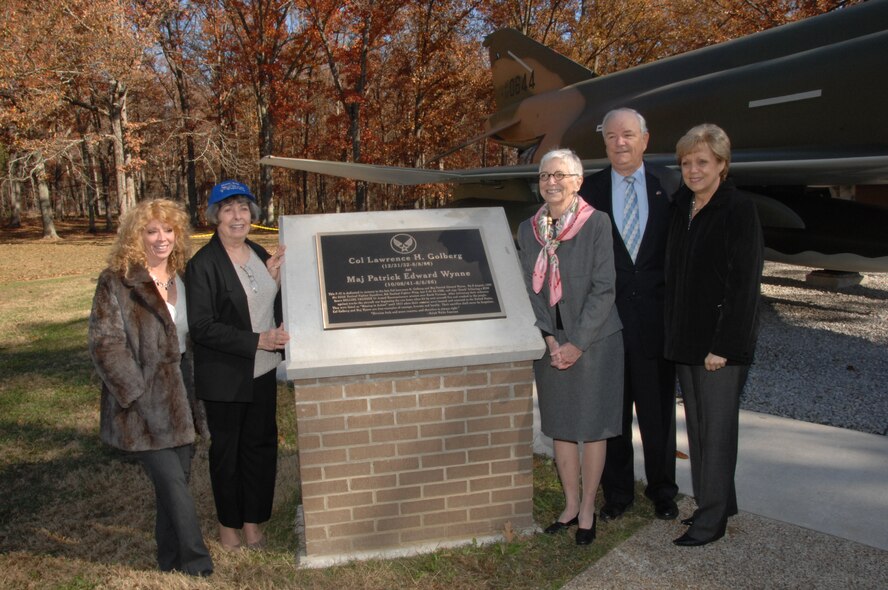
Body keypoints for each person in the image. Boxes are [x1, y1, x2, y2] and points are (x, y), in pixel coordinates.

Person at [88, 199, 213, 577]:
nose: (162, 239)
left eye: (169, 230)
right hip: (142, 403)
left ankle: (169, 560)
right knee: (174, 484)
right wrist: (137, 394)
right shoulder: (117, 280)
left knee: (173, 485)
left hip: (184, 395)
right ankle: (197, 563)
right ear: (135, 236)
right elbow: (105, 344)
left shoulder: (184, 278)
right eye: (152, 231)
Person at [578, 108, 681, 522]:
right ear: (604, 143)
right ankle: (617, 494)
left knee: (657, 414)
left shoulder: (671, 186)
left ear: (645, 139)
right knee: (613, 415)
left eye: (628, 135)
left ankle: (663, 491)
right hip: (608, 323)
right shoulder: (590, 191)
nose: (620, 143)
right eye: (612, 137)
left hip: (656, 321)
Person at [518, 148, 624, 546]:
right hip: (551, 342)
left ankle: (588, 510)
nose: (551, 182)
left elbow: (605, 288)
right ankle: (569, 504)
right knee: (561, 426)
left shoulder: (596, 223)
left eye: (560, 175)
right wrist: (549, 338)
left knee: (592, 428)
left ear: (578, 181)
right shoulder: (528, 228)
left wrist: (577, 343)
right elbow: (528, 287)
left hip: (595, 341)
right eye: (545, 175)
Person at [664, 124, 763, 546]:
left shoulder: (739, 210)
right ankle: (718, 501)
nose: (693, 169)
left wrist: (722, 347)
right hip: (687, 339)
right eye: (686, 162)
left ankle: (711, 521)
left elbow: (744, 284)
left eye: (702, 161)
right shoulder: (681, 206)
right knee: (701, 429)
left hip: (719, 345)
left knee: (718, 432)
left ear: (722, 164)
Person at [186, 180, 289, 551]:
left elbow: (261, 303)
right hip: (225, 376)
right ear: (215, 216)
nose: (237, 216)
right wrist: (257, 340)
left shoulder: (260, 252)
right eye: (228, 209)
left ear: (252, 215)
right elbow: (201, 327)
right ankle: (228, 526)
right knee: (227, 452)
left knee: (259, 448)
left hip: (261, 372)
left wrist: (273, 278)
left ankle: (252, 522)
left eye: (243, 208)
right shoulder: (203, 265)